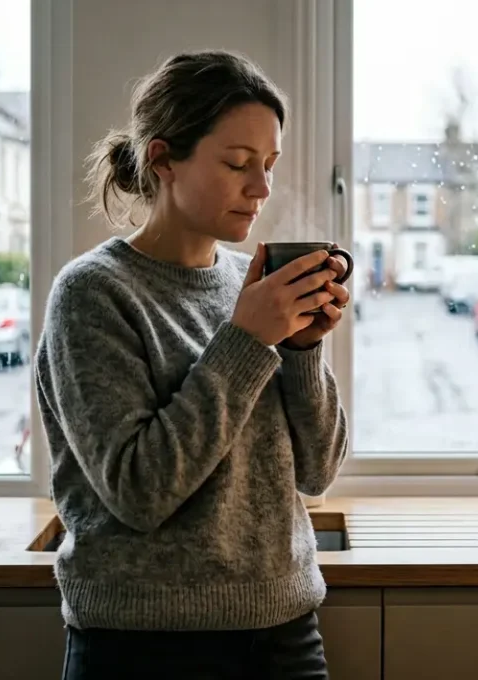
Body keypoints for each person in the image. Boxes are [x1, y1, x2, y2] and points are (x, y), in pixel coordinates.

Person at [34, 50, 349, 679]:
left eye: (268, 165)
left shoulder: (252, 290)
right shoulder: (93, 294)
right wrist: (247, 342)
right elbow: (139, 490)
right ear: (162, 159)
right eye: (237, 164)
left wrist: (303, 351)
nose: (260, 188)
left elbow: (318, 471)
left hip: (285, 635)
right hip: (141, 648)